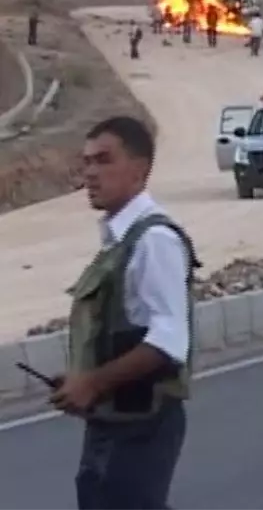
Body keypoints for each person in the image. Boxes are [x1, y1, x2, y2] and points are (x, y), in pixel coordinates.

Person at [57, 116, 200, 509]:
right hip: (113, 423)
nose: (90, 173)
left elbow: (169, 340)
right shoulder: (120, 241)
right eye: (85, 162)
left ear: (139, 169)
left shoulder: (154, 240)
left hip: (142, 427)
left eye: (103, 160)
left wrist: (94, 383)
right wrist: (80, 378)